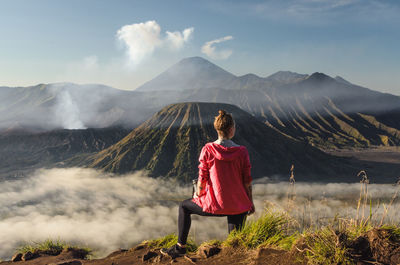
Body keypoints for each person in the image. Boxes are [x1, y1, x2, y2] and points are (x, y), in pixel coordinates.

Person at [161, 109, 255, 258]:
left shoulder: (208, 150)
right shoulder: (242, 152)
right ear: (231, 130)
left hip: (215, 205)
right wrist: (250, 202)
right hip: (239, 205)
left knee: (184, 206)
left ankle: (180, 248)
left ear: (217, 129)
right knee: (234, 243)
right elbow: (247, 181)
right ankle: (234, 255)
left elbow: (202, 180)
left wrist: (198, 194)